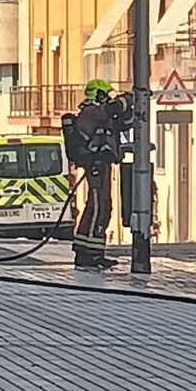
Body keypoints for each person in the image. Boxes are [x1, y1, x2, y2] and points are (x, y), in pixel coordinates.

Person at [72, 79, 132, 270]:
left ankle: (91, 251)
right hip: (96, 164)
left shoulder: (102, 115)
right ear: (98, 95)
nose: (108, 98)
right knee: (99, 207)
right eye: (106, 94)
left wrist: (132, 108)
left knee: (100, 206)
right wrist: (129, 98)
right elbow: (112, 109)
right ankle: (90, 254)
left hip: (103, 164)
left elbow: (124, 122)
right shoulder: (91, 112)